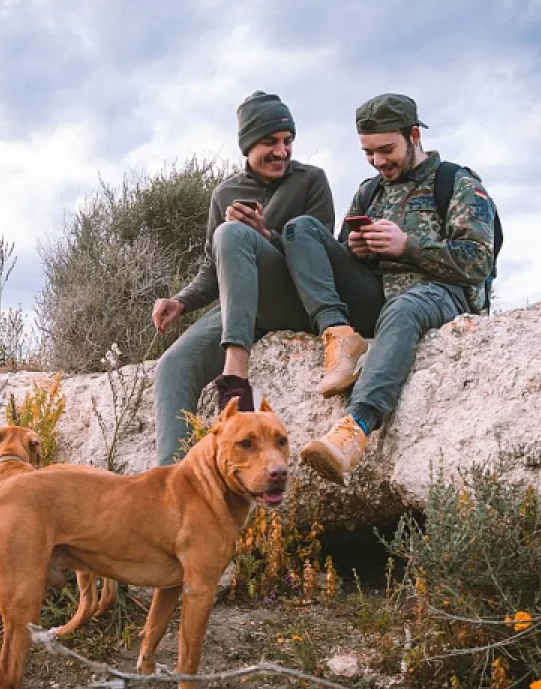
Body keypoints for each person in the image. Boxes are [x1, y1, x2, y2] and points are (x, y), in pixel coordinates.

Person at [152, 90, 385, 466]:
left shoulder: (311, 180)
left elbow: (313, 253)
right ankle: (170, 481)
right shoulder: (225, 192)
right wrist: (180, 301)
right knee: (173, 365)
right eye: (269, 142)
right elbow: (212, 270)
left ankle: (236, 381)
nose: (281, 151)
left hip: (295, 298)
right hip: (246, 308)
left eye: (288, 141)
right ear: (247, 146)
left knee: (232, 234)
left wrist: (265, 237)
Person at [288, 93, 496, 483]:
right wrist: (355, 251)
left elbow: (478, 261)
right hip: (377, 298)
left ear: (414, 135)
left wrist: (408, 246)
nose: (378, 161)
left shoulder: (457, 182)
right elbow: (341, 262)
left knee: (403, 308)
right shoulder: (369, 192)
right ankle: (338, 335)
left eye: (386, 149)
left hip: (441, 294)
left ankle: (355, 429)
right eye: (368, 153)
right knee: (300, 229)